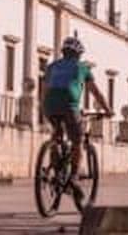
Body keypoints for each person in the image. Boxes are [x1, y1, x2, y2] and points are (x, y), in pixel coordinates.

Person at [42, 36, 112, 201]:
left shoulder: (52, 67)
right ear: (78, 55)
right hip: (70, 105)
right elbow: (96, 93)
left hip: (49, 105)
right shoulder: (82, 68)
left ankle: (56, 170)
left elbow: (45, 90)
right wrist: (107, 110)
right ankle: (73, 177)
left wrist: (44, 108)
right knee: (78, 141)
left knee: (57, 134)